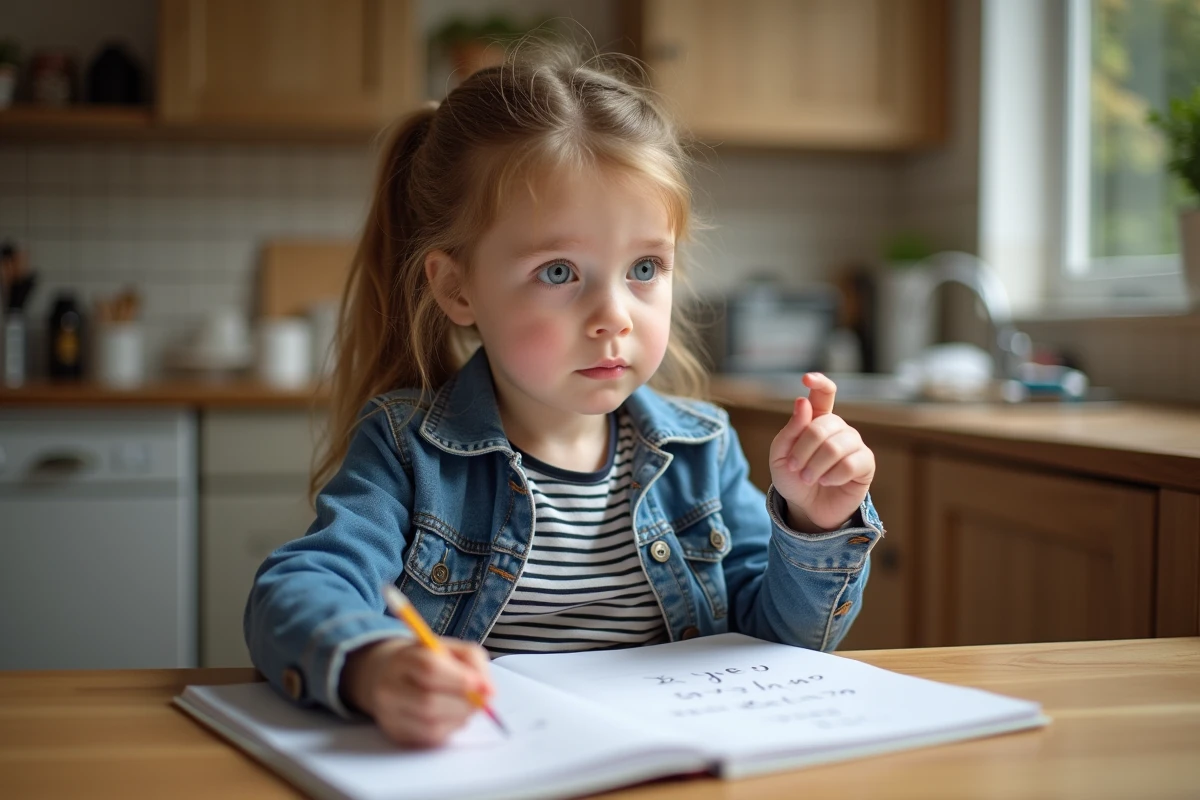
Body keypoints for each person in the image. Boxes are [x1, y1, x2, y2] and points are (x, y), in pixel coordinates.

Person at [245, 38, 884, 749]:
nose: (614, 315)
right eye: (558, 272)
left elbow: (777, 644)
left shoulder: (703, 450)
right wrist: (373, 665)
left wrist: (813, 526)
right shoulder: (406, 450)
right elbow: (297, 589)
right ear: (457, 288)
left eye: (645, 268)